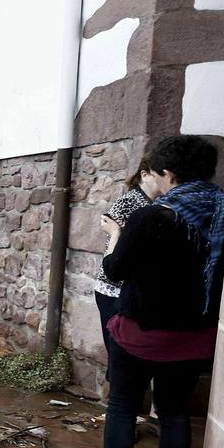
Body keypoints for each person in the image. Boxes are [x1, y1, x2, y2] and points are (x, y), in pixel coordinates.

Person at [86, 136, 224, 448]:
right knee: (174, 412)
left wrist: (116, 237)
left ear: (169, 174)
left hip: (140, 333)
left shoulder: (152, 215)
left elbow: (113, 270)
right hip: (194, 337)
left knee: (122, 405)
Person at [93, 157, 157, 376]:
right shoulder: (129, 203)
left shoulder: (157, 204)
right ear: (145, 175)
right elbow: (117, 251)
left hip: (135, 290)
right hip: (114, 287)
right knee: (119, 352)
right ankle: (115, 405)